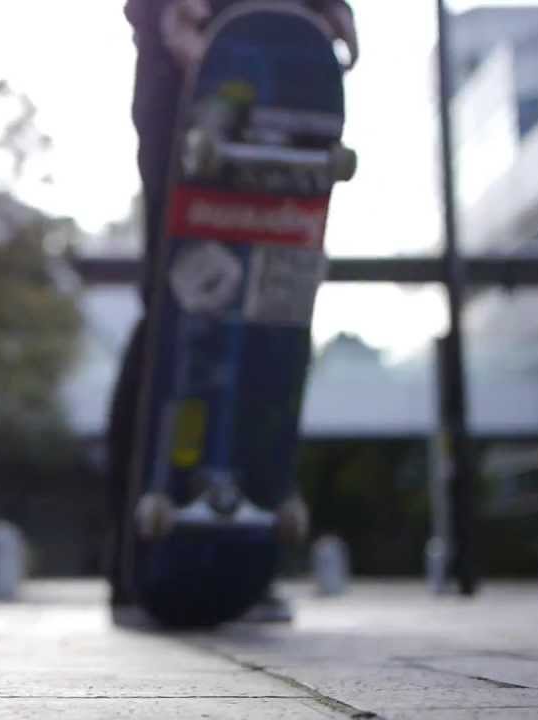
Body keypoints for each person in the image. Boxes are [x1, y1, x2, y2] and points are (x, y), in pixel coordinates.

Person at [109, 0, 359, 623]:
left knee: (273, 307)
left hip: (290, 56)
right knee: (180, 304)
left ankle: (242, 551)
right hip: (190, 56)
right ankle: (139, 561)